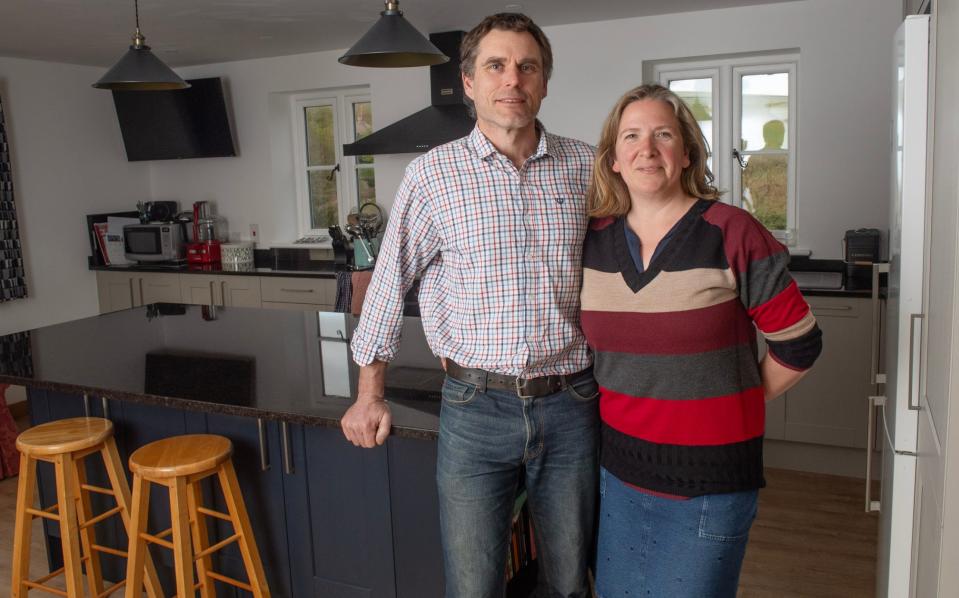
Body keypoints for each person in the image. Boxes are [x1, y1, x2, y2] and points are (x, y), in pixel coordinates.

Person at [341, 13, 599, 598]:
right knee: (475, 584)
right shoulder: (432, 176)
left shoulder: (587, 168)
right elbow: (388, 284)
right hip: (474, 407)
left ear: (544, 82)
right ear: (470, 83)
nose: (513, 79)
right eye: (497, 66)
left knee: (568, 582)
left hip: (572, 405)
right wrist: (369, 394)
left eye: (527, 67)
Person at [580, 84, 822, 597]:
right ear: (615, 159)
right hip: (618, 475)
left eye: (663, 134)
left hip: (711, 482)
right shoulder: (591, 243)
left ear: (686, 152)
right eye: (632, 136)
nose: (647, 148)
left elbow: (799, 343)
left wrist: (740, 397)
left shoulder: (731, 232)